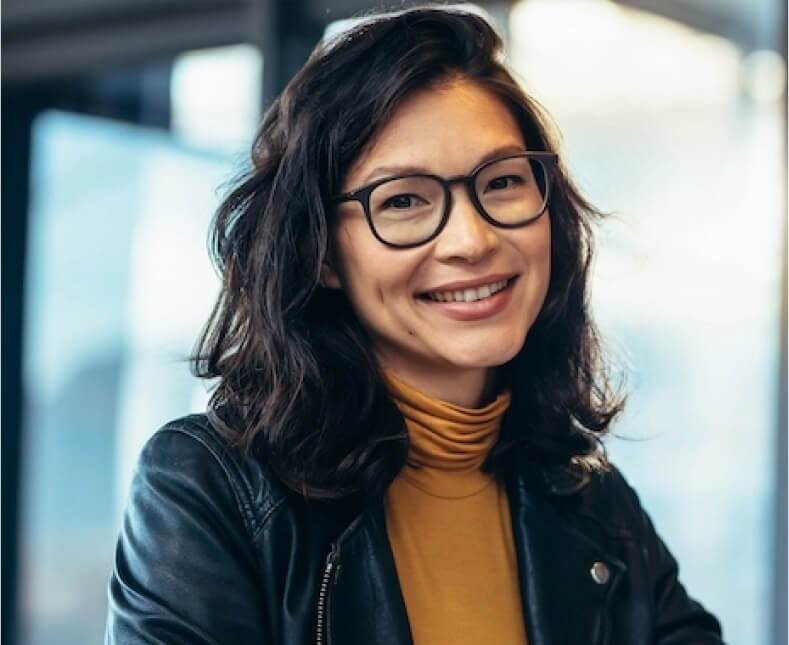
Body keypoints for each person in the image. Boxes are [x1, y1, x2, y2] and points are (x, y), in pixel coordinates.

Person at [105, 6, 724, 644]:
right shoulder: (210, 489)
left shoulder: (593, 503)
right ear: (321, 254)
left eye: (503, 181)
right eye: (403, 200)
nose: (472, 240)